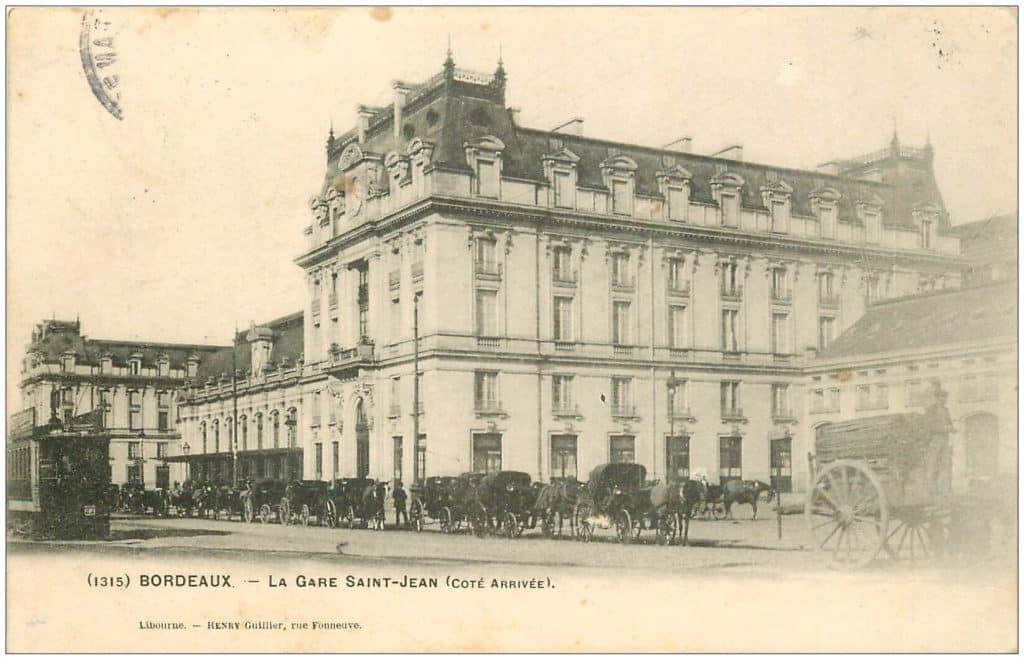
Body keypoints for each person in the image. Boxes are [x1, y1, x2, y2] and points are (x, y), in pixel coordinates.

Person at [923, 381, 955, 505]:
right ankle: (928, 492)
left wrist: (951, 428)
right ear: (936, 398)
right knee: (932, 466)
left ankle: (944, 492)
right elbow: (929, 426)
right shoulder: (930, 410)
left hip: (945, 440)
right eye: (941, 397)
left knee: (945, 466)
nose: (944, 400)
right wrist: (944, 428)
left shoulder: (946, 410)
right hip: (934, 440)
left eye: (945, 397)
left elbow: (949, 423)